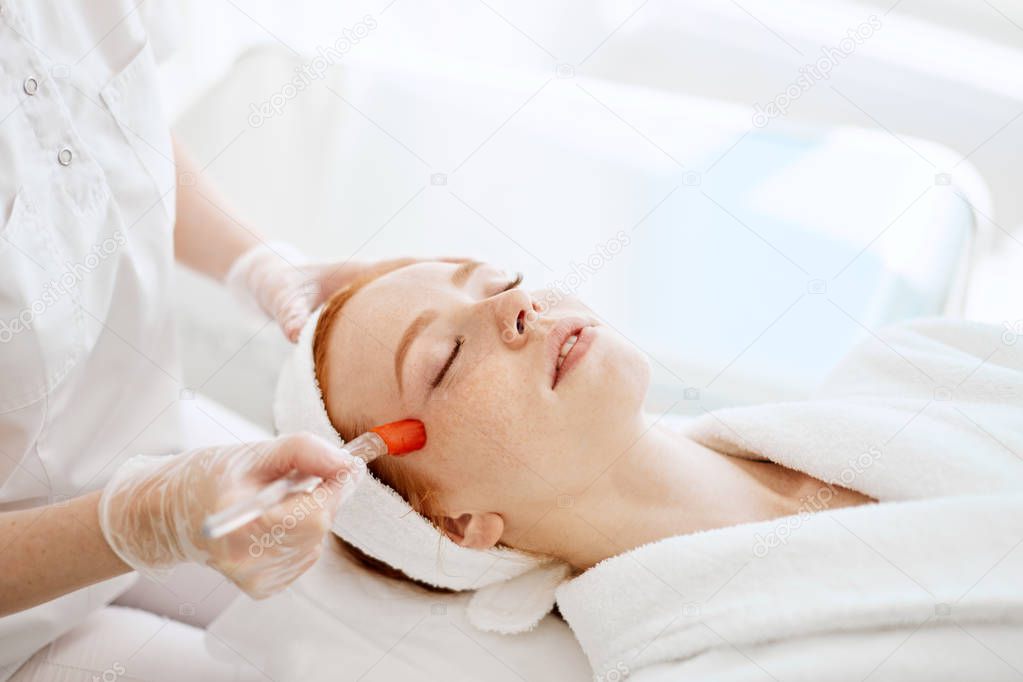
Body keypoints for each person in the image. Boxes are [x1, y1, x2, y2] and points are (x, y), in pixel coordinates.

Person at [0, 3, 380, 679]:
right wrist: (137, 522)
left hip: (141, 438)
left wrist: (259, 264)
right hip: (16, 617)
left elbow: (97, 123)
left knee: (388, 616)